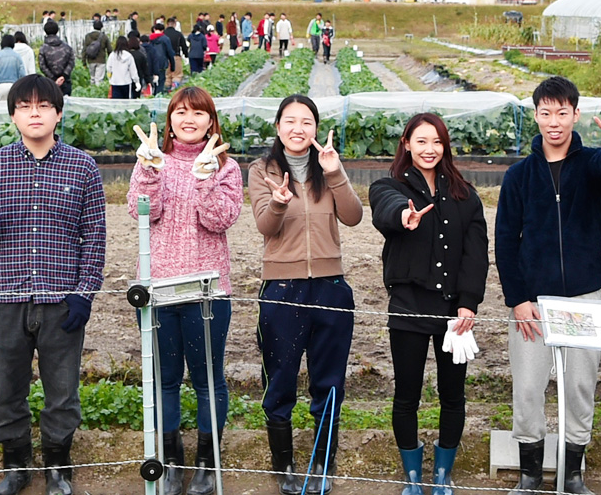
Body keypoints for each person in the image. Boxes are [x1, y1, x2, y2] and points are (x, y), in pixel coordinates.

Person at [0, 75, 105, 495]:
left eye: (43, 105)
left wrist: (84, 292)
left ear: (58, 113)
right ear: (13, 116)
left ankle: (59, 465)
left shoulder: (83, 166)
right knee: (6, 386)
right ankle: (16, 464)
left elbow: (94, 235)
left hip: (61, 300)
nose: (35, 113)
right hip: (6, 297)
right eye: (25, 106)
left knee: (62, 388)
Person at [496, 75, 601, 495]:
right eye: (545, 113)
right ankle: (531, 475)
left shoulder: (590, 165)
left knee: (579, 385)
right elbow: (504, 241)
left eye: (562, 112)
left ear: (575, 114)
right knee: (529, 385)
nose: (554, 122)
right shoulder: (519, 176)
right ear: (535, 115)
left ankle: (573, 473)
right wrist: (518, 299)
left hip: (584, 296)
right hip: (532, 301)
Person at [127, 86, 244, 495]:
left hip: (207, 292)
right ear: (170, 119)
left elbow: (220, 220)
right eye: (180, 112)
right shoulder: (152, 161)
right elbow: (143, 211)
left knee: (208, 380)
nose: (188, 119)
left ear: (211, 121)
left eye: (198, 113)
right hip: (159, 292)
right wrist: (149, 172)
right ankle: (172, 461)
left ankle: (207, 464)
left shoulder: (226, 168)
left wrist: (207, 181)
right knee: (166, 381)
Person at [249, 95, 362, 495]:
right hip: (282, 288)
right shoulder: (261, 170)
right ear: (278, 127)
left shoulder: (327, 167)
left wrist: (335, 173)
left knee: (328, 381)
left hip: (331, 286)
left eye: (307, 121)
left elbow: (353, 216)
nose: (299, 129)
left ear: (316, 128)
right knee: (279, 378)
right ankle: (284, 465)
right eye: (290, 121)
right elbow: (265, 226)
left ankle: (321, 461)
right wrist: (279, 202)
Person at [369, 113, 487, 495]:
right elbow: (384, 207)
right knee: (407, 393)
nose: (429, 149)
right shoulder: (389, 186)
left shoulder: (465, 195)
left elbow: (476, 254)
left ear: (444, 145)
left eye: (436, 142)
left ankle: (442, 474)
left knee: (453, 394)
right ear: (406, 144)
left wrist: (469, 303)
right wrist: (403, 215)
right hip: (408, 307)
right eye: (420, 141)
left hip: (455, 314)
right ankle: (413, 476)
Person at [37, 21, 76, 95]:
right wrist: (63, 76)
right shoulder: (67, 47)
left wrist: (53, 78)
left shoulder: (43, 48)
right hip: (65, 82)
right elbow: (71, 62)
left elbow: (42, 65)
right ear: (57, 30)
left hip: (49, 83)